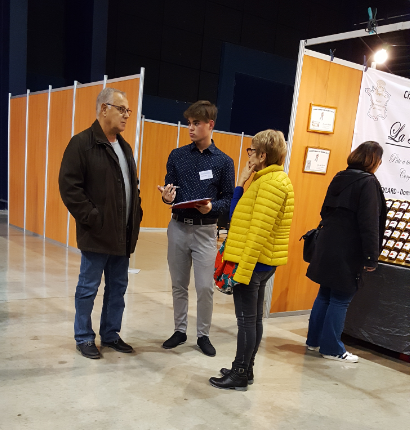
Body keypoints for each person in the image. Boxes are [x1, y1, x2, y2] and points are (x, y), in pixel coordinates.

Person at [59, 87, 143, 359]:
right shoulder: (82, 143)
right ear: (104, 109)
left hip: (122, 234)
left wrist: (137, 213)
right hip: (97, 234)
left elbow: (132, 187)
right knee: (88, 288)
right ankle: (84, 337)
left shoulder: (125, 147)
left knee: (117, 288)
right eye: (122, 109)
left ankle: (111, 334)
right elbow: (69, 187)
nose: (126, 115)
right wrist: (92, 217)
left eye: (128, 111)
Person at [209, 129, 294, 391]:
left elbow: (257, 232)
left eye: (252, 150)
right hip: (262, 262)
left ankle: (239, 373)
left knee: (246, 321)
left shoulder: (270, 184)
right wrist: (241, 183)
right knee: (253, 319)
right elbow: (239, 218)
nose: (249, 155)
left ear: (263, 155)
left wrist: (242, 271)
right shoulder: (269, 180)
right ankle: (246, 369)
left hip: (253, 262)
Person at [158, 100, 235, 357]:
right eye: (189, 123)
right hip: (178, 228)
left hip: (205, 231)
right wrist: (167, 197)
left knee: (204, 287)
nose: (190, 128)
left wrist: (211, 207)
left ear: (210, 125)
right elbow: (169, 189)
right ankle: (180, 330)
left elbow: (228, 200)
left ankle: (203, 335)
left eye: (196, 123)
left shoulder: (224, 162)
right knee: (178, 285)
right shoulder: (177, 156)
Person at [305, 141, 386, 363]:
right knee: (340, 299)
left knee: (325, 294)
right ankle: (332, 349)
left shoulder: (340, 176)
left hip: (328, 244)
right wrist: (371, 256)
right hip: (349, 250)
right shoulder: (368, 182)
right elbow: (369, 223)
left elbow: (324, 211)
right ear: (374, 160)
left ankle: (314, 341)